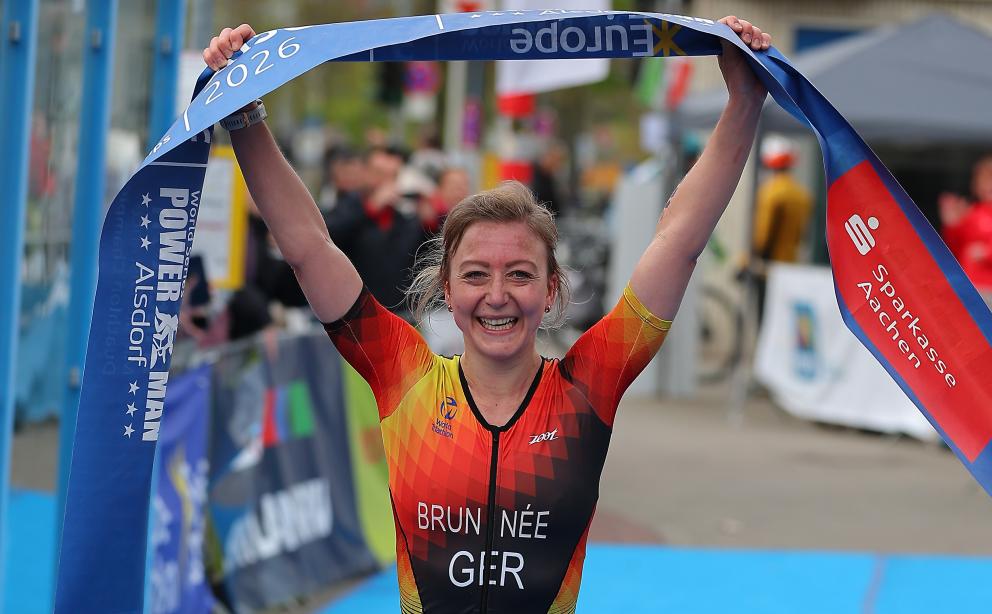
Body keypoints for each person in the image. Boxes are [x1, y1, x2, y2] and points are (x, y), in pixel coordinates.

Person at [204, 16, 771, 612]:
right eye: (475, 275)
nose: (496, 295)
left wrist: (744, 102)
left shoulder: (588, 385)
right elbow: (307, 247)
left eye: (520, 274)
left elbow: (677, 244)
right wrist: (243, 113)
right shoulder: (405, 376)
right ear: (446, 290)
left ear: (551, 292)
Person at [749, 134, 813, 320]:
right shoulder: (802, 194)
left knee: (765, 321)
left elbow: (762, 235)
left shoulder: (769, 192)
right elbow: (803, 234)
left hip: (767, 270)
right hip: (791, 265)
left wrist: (748, 260)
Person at [939, 155, 992, 300]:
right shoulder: (973, 212)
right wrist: (951, 223)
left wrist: (986, 252)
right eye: (982, 180)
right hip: (969, 284)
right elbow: (955, 247)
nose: (986, 186)